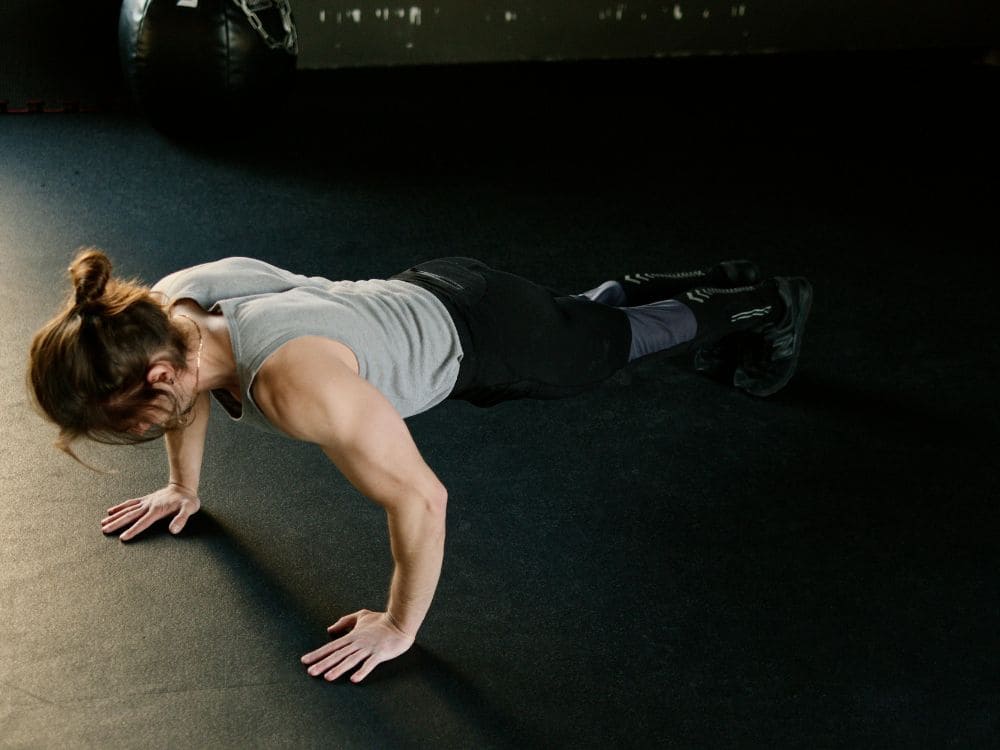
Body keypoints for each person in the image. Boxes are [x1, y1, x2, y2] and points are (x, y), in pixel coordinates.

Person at [27, 249, 812, 684]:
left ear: (155, 376)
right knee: (584, 316)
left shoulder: (297, 387)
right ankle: (721, 279)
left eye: (116, 417)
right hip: (440, 285)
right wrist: (182, 487)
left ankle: (765, 303)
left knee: (612, 345)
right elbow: (185, 398)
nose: (122, 430)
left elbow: (422, 500)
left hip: (488, 341)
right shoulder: (175, 306)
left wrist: (399, 626)